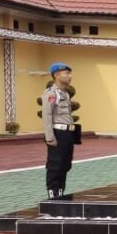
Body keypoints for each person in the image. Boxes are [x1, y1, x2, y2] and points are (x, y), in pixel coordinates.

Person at [42, 62, 76, 199]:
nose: (70, 76)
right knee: (55, 164)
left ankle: (60, 192)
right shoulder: (51, 93)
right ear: (56, 75)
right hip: (57, 133)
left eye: (70, 73)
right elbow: (47, 115)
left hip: (67, 133)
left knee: (65, 164)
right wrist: (50, 137)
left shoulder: (65, 94)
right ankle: (52, 194)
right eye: (66, 73)